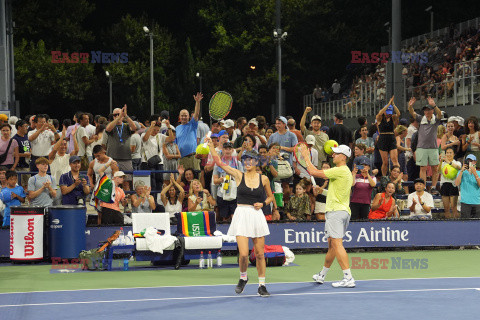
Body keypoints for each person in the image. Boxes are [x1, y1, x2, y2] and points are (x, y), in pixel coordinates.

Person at [208, 137, 274, 297]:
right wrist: (211, 147)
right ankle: (243, 277)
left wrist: (262, 203)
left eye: (251, 159)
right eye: (245, 159)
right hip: (242, 215)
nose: (247, 162)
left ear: (256, 162)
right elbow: (219, 162)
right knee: (244, 254)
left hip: (257, 215)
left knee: (259, 254)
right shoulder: (238, 175)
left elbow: (271, 197)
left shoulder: (263, 179)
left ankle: (262, 285)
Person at [301, 144, 355, 288]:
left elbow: (312, 171)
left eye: (336, 154)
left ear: (343, 157)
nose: (333, 155)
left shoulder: (339, 170)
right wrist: (321, 191)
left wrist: (306, 156)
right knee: (332, 245)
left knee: (337, 244)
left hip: (336, 213)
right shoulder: (345, 172)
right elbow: (337, 194)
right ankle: (322, 275)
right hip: (341, 211)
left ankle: (348, 277)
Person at [408, 97, 442, 195]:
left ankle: (434, 187)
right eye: (425, 110)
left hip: (433, 148)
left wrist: (434, 105)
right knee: (423, 168)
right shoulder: (420, 119)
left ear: (432, 111)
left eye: (429, 110)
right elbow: (412, 113)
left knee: (435, 168)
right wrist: (410, 106)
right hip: (421, 148)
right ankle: (423, 187)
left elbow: (440, 114)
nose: (427, 112)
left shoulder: (435, 120)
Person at [104, 105, 137, 190]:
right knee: (113, 182)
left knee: (126, 182)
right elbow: (107, 129)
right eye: (114, 115)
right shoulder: (111, 125)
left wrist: (126, 116)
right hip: (113, 158)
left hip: (126, 158)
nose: (117, 116)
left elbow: (134, 127)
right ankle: (112, 201)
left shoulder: (126, 125)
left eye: (118, 114)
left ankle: (126, 202)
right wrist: (117, 119)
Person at [213, 141, 242, 222]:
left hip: (235, 193)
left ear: (232, 150)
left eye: (230, 149)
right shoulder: (217, 164)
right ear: (222, 150)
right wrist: (221, 179)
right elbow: (215, 181)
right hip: (222, 194)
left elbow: (242, 178)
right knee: (224, 218)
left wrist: (234, 177)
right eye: (226, 149)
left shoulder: (238, 163)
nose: (228, 151)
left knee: (235, 217)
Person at [176, 93, 203, 171]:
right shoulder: (177, 128)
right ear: (179, 117)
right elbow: (175, 144)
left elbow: (196, 113)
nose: (184, 117)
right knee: (183, 180)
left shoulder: (192, 124)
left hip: (193, 157)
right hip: (182, 159)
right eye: (182, 115)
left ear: (189, 117)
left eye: (185, 115)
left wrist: (197, 102)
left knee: (196, 179)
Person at [376, 96, 400, 176]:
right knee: (385, 162)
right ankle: (384, 177)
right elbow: (379, 113)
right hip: (383, 139)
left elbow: (399, 114)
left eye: (389, 112)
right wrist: (388, 104)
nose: (388, 114)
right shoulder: (380, 118)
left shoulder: (393, 118)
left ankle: (396, 176)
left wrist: (393, 105)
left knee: (394, 159)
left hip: (391, 138)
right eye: (387, 112)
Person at [454, 154, 480, 219]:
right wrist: (462, 171)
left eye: (471, 161)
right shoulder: (461, 172)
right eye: (468, 161)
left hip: (477, 202)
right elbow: (457, 184)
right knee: (465, 224)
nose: (470, 163)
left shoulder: (479, 173)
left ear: (475, 162)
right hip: (465, 202)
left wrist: (475, 173)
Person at [439, 147, 461, 218]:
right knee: (446, 209)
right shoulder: (443, 163)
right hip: (444, 185)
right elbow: (438, 171)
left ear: (454, 154)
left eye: (450, 153)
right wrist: (440, 161)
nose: (448, 154)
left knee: (454, 208)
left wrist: (448, 162)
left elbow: (458, 167)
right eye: (447, 153)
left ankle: (456, 225)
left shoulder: (457, 162)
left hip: (453, 185)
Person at [13, 120, 32, 188]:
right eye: (25, 126)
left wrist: (30, 152)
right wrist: (24, 155)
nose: (27, 128)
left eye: (27, 126)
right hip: (19, 166)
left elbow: (29, 147)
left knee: (28, 185)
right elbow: (13, 153)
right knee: (19, 185)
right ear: (19, 127)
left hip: (27, 165)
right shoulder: (15, 139)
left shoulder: (26, 137)